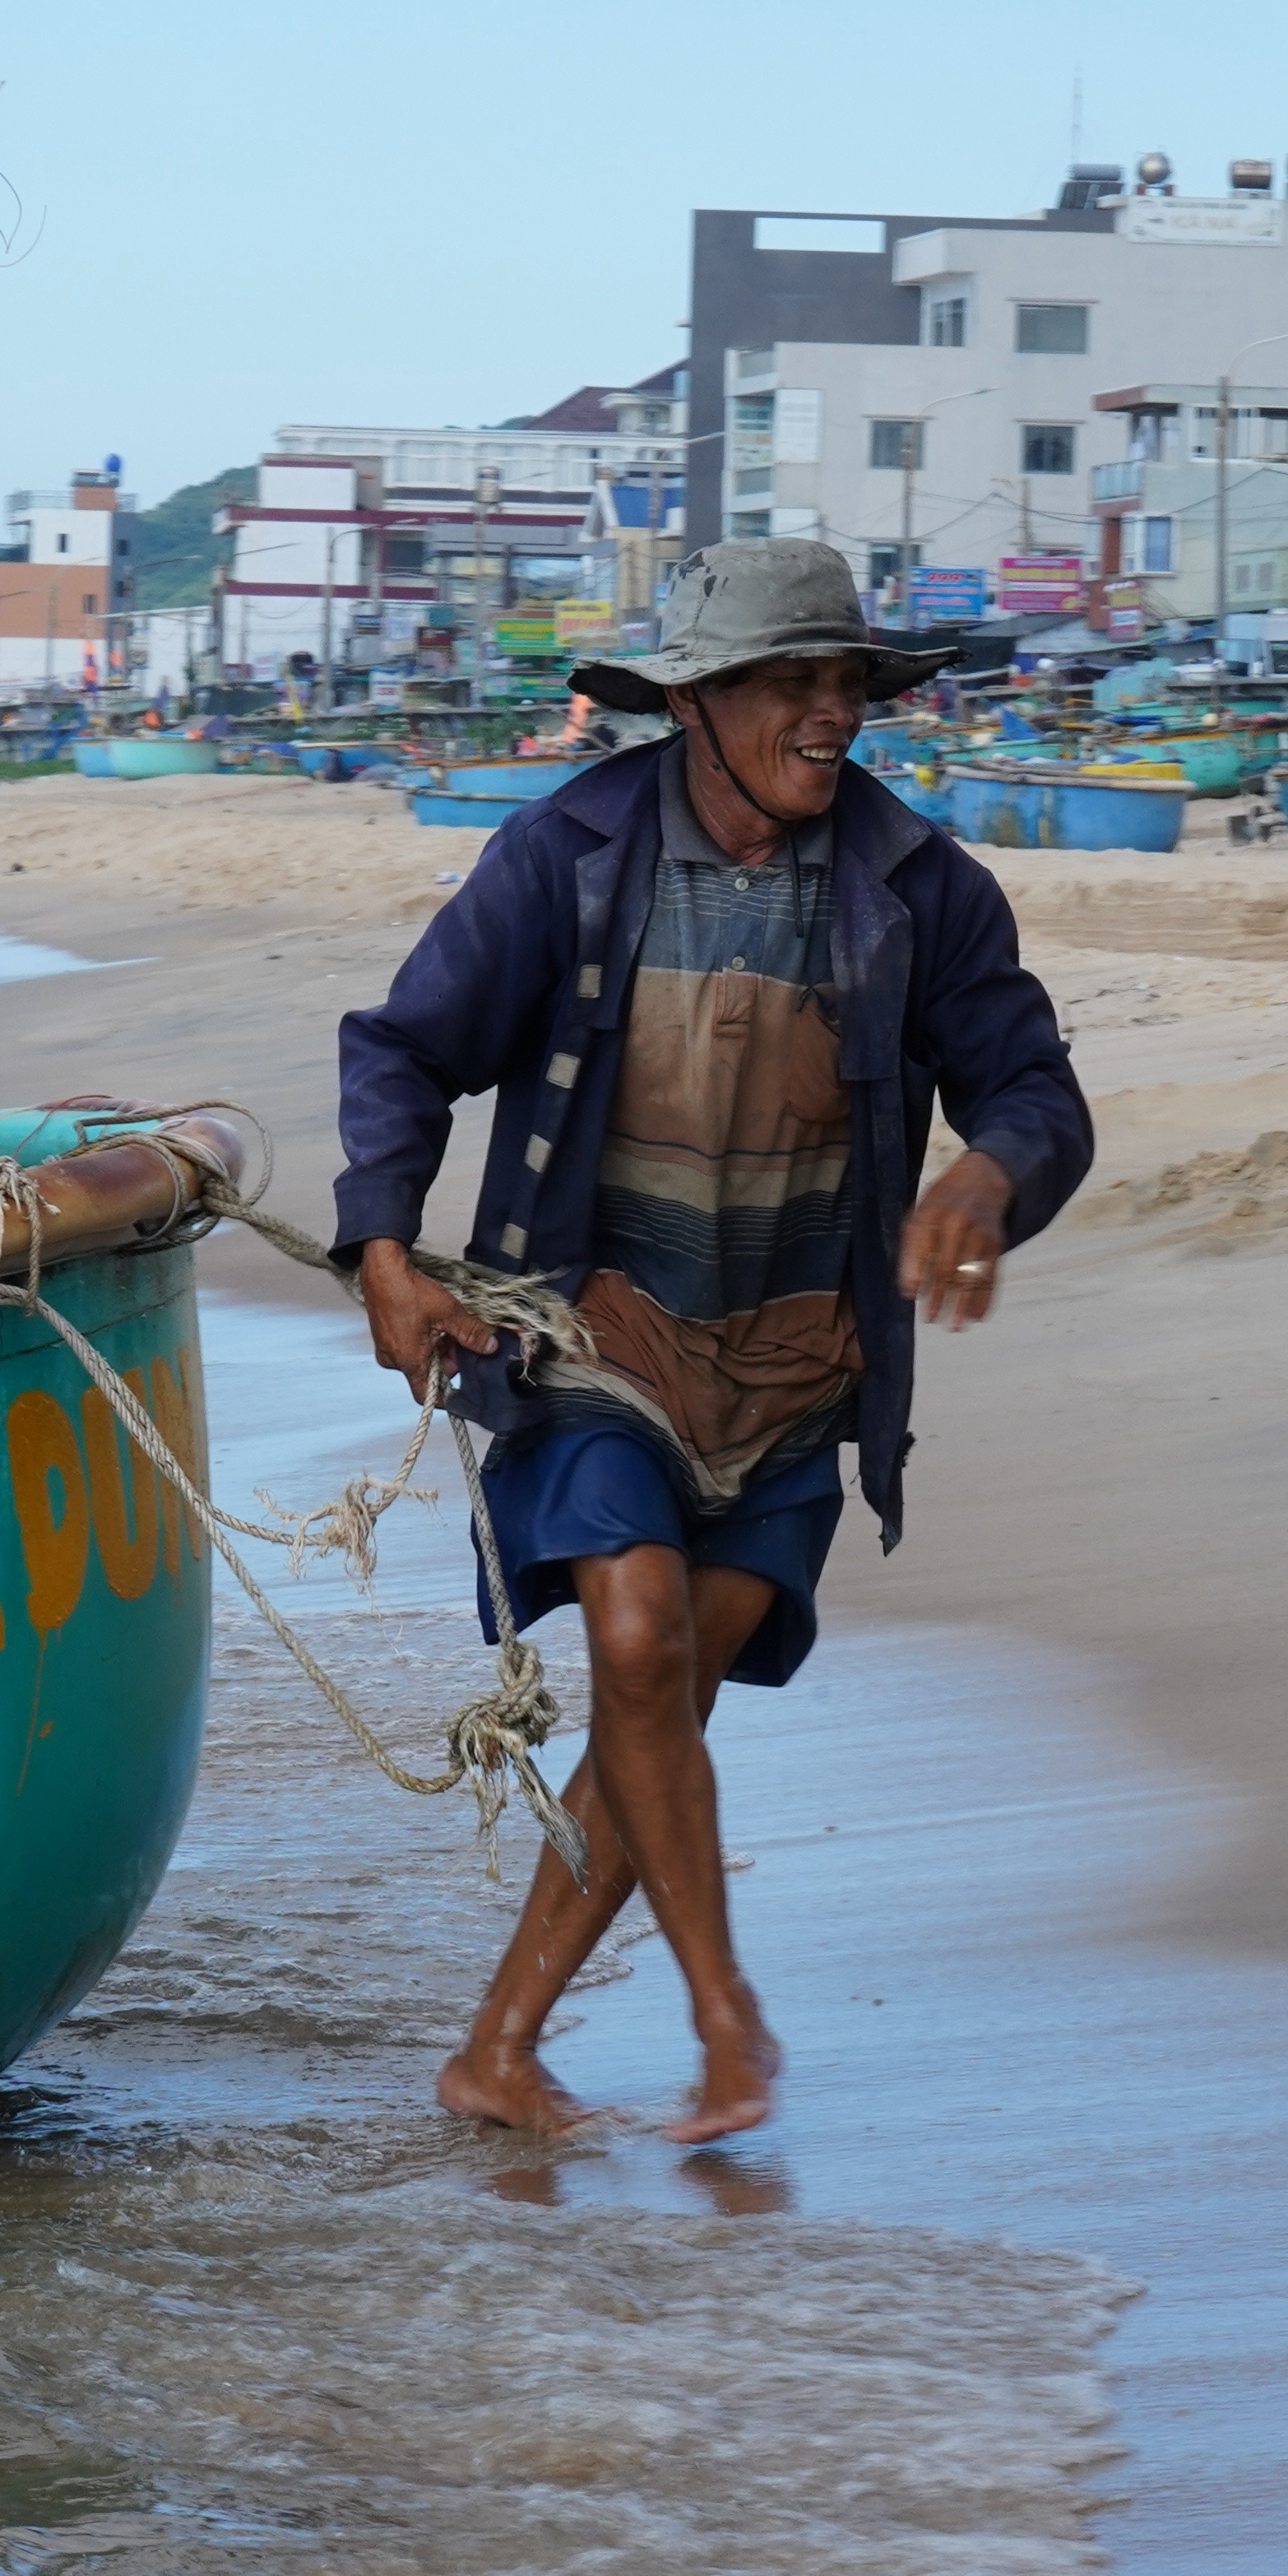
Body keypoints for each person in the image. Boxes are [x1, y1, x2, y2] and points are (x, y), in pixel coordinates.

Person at [332, 536, 1092, 2140]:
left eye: (849, 683)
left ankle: (499, 2050)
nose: (832, 715)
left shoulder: (922, 888)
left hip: (800, 1363)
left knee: (660, 1702)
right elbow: (406, 1047)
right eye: (792, 685)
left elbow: (1037, 1094)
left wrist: (991, 1169)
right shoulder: (569, 859)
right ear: (699, 701)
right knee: (631, 1643)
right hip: (597, 1334)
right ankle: (725, 2013)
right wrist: (385, 1247)